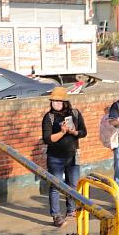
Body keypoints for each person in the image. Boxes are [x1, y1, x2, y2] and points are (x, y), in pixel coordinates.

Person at [41, 86, 87, 227]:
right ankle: (56, 215)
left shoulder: (75, 113)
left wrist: (74, 132)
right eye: (53, 100)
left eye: (58, 101)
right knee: (56, 186)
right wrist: (62, 132)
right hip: (55, 157)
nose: (55, 103)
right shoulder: (49, 117)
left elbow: (83, 132)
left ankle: (71, 210)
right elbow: (48, 139)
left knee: (72, 184)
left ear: (65, 102)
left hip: (73, 155)